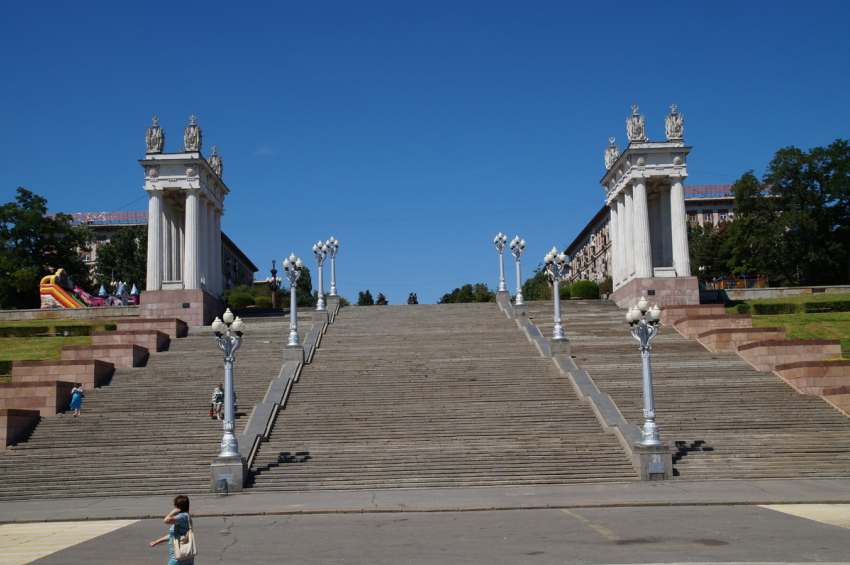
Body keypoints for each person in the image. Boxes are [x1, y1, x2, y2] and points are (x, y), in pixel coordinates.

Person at [149, 494, 194, 564]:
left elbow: (166, 520)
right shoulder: (187, 517)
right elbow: (173, 535)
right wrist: (157, 541)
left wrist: (172, 512)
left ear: (178, 506)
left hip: (178, 558)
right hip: (187, 556)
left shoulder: (181, 517)